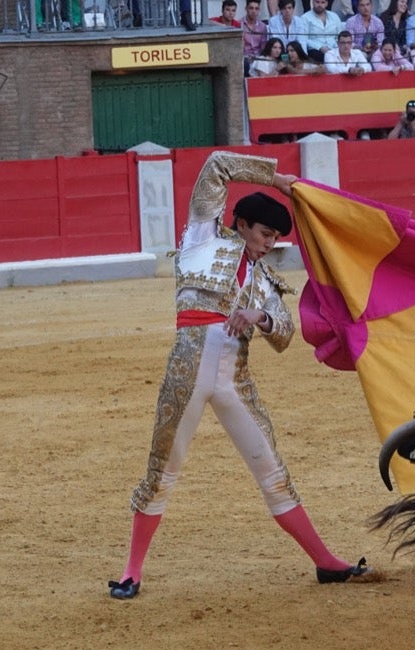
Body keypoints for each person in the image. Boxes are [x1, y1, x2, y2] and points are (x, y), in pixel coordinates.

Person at [107, 151, 375, 601]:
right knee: (163, 468)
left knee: (273, 472)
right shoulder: (201, 236)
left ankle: (326, 563)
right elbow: (216, 166)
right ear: (243, 224)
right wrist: (279, 179)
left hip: (235, 378)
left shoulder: (266, 282)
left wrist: (260, 317)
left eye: (275, 238)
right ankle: (132, 571)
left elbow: (286, 333)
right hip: (188, 368)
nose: (270, 243)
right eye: (266, 233)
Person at [242, 0, 269, 73]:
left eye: (256, 9)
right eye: (251, 8)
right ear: (246, 9)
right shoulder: (240, 25)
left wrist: (259, 58)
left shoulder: (263, 26)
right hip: (244, 58)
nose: (254, 11)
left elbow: (263, 47)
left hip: (258, 58)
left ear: (259, 10)